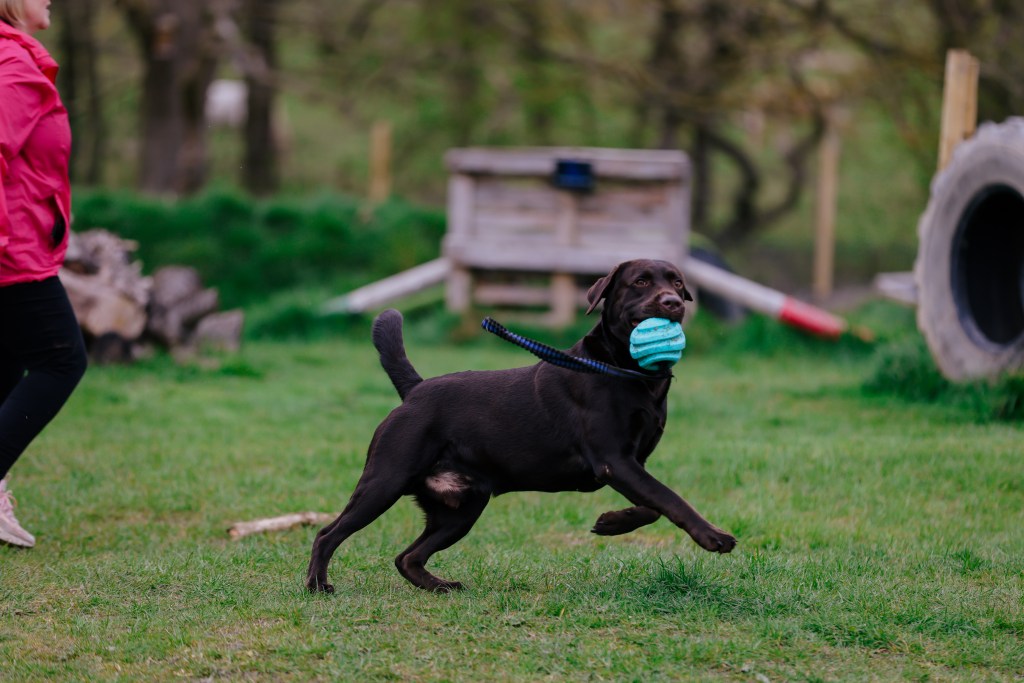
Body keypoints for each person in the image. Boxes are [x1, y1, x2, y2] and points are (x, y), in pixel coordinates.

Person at [1, 0, 87, 547]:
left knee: (7, 362)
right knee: (61, 360)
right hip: (12, 252)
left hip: (19, 244)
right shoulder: (12, 65)